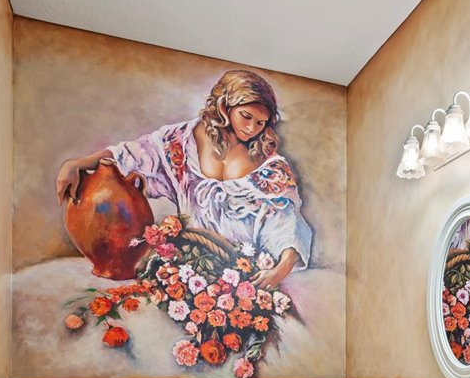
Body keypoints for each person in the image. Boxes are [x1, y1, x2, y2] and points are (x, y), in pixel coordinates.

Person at [56, 70, 312, 289]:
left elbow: (286, 222)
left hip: (254, 272)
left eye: (260, 123)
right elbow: (132, 154)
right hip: (195, 263)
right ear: (224, 107)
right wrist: (77, 164)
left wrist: (279, 270)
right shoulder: (180, 140)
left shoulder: (269, 163)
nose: (251, 129)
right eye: (246, 116)